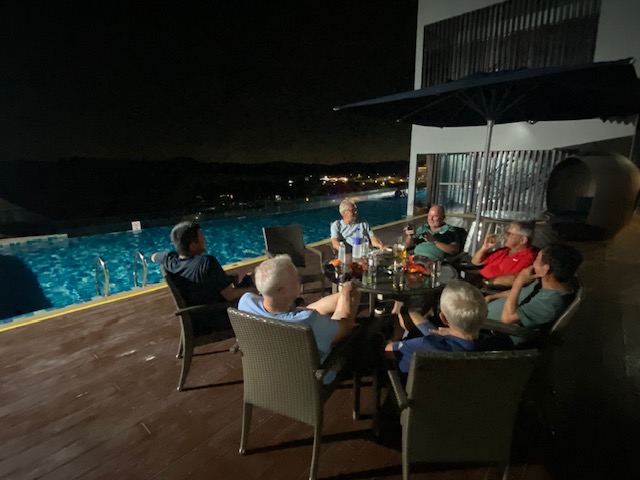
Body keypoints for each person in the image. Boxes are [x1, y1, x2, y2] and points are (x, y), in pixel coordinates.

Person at [238, 254, 360, 384]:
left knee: (335, 302)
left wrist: (341, 296)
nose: (299, 280)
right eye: (296, 279)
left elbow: (299, 315)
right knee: (354, 316)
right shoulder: (306, 322)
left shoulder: (246, 302)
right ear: (283, 291)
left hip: (271, 372)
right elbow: (346, 326)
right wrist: (348, 294)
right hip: (311, 378)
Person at [151, 221, 257, 334]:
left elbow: (153, 256)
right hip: (218, 318)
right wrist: (253, 290)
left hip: (197, 319)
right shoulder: (207, 262)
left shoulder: (171, 261)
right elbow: (230, 295)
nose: (205, 240)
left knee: (247, 279)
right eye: (202, 237)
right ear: (192, 245)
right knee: (253, 278)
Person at [385, 280, 502, 375]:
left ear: (444, 319)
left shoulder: (427, 346)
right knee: (418, 323)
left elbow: (388, 351)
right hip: (470, 394)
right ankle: (406, 312)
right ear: (485, 314)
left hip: (420, 393)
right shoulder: (501, 345)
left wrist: (395, 337)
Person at [485, 243, 583, 346]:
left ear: (545, 269)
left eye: (536, 259)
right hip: (483, 317)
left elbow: (507, 319)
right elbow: (519, 294)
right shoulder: (543, 283)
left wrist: (518, 282)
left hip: (496, 333)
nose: (533, 263)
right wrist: (491, 297)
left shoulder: (550, 304)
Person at [470, 221, 537, 287]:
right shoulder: (503, 251)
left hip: (490, 287)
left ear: (523, 240)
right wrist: (484, 248)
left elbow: (516, 279)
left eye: (509, 234)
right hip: (478, 281)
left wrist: (487, 282)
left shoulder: (528, 257)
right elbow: (476, 262)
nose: (505, 237)